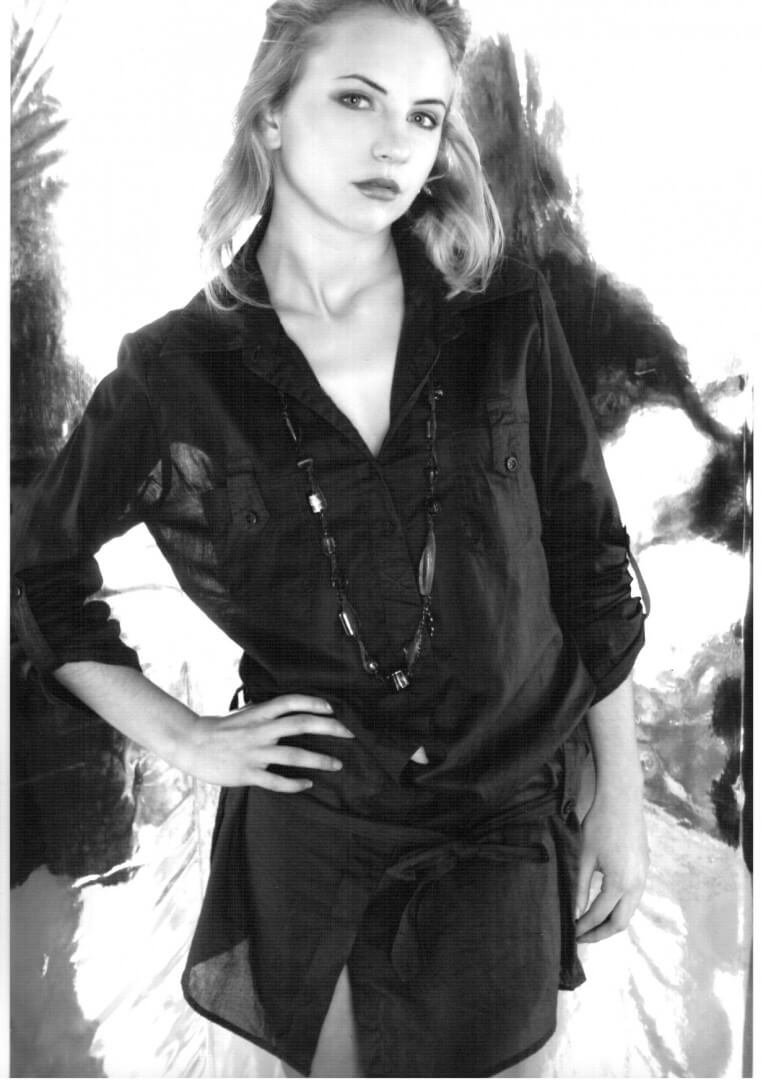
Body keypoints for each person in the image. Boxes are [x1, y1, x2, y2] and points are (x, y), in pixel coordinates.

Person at [10, 1, 650, 1076]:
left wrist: (618, 797)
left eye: (423, 115)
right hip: (321, 825)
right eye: (356, 99)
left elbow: (588, 555)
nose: (394, 143)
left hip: (503, 812)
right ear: (270, 115)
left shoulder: (503, 313)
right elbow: (40, 569)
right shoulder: (180, 369)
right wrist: (186, 737)